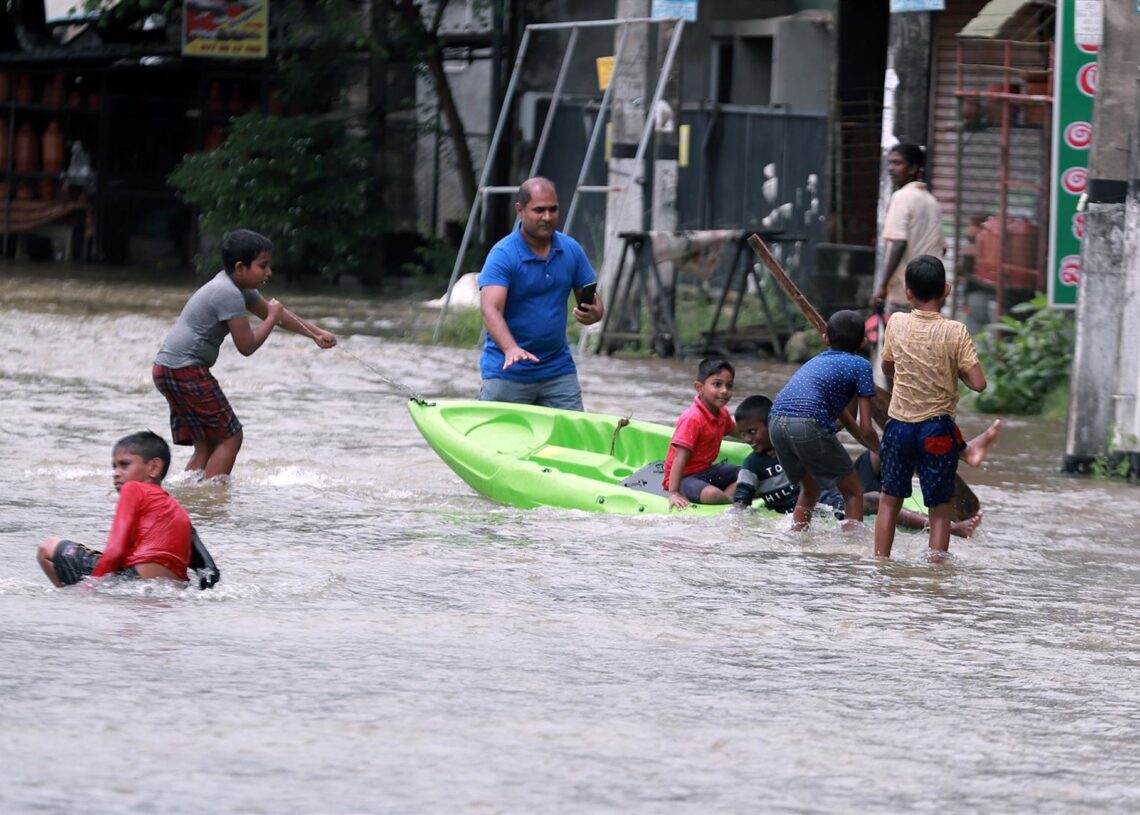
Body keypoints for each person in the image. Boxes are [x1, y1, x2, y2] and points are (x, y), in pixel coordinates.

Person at [153, 229, 337, 479]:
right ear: (240, 267)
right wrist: (271, 318)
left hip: (166, 368)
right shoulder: (228, 293)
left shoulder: (237, 287)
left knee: (206, 444)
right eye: (263, 266)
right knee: (231, 437)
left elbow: (277, 314)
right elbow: (247, 346)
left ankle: (191, 500)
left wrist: (315, 333)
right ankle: (212, 501)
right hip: (185, 368)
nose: (269, 273)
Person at [733, 394, 998, 537]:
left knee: (886, 450)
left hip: (841, 488)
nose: (748, 439)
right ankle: (950, 528)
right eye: (743, 434)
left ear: (772, 424)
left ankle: (939, 480)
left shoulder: (795, 443)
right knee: (873, 499)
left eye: (753, 431)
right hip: (831, 506)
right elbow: (740, 503)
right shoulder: (752, 464)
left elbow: (835, 429)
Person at [874, 255, 990, 558]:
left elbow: (888, 367)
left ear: (908, 292)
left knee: (889, 501)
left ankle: (880, 565)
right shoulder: (956, 331)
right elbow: (978, 383)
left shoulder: (896, 323)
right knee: (940, 509)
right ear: (946, 290)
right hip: (937, 431)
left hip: (898, 427)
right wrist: (954, 370)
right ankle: (935, 578)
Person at [478, 177, 605, 411]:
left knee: (573, 439)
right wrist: (511, 348)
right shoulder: (503, 254)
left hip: (558, 371)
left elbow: (592, 302)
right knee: (500, 443)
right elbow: (490, 310)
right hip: (508, 372)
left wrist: (596, 313)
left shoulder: (571, 250)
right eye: (539, 210)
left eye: (553, 209)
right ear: (520, 210)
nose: (547, 217)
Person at [36, 431, 198, 587]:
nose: (116, 473)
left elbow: (115, 550)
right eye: (114, 467)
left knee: (47, 547)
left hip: (133, 580)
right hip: (173, 589)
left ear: (154, 467)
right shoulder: (178, 509)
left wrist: (90, 587)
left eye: (124, 465)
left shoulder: (133, 489)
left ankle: (71, 602)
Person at [767, 310, 880, 530]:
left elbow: (845, 422)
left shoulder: (816, 363)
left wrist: (871, 445)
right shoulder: (861, 366)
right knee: (855, 492)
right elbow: (866, 428)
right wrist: (881, 450)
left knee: (809, 488)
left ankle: (798, 537)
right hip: (807, 423)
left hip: (775, 422)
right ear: (863, 342)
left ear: (826, 339)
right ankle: (850, 551)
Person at [870, 143, 945, 316]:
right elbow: (943, 247)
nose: (891, 168)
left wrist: (882, 287)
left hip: (905, 294)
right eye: (890, 163)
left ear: (912, 168)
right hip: (931, 297)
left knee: (900, 341)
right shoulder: (931, 201)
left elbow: (899, 243)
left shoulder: (901, 197)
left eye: (898, 163)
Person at [663, 358, 739, 510]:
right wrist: (673, 493)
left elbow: (739, 432)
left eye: (729, 385)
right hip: (685, 478)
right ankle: (732, 503)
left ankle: (729, 499)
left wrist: (765, 438)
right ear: (699, 387)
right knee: (712, 495)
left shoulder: (722, 414)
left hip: (706, 471)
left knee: (747, 474)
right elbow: (679, 458)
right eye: (717, 384)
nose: (724, 391)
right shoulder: (692, 418)